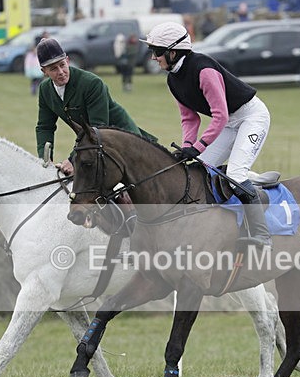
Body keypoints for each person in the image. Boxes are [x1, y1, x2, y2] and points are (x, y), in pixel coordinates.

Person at [141, 22, 272, 247]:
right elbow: (190, 118)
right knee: (197, 170)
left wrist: (199, 146)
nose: (154, 57)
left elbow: (219, 115)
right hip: (229, 123)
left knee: (236, 174)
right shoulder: (173, 78)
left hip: (252, 117)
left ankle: (262, 235)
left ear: (173, 52)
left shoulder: (203, 70)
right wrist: (187, 146)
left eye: (157, 51)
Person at [34, 37, 154, 175]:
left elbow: (98, 127)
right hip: (93, 145)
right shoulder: (45, 89)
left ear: (67, 60)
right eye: (53, 68)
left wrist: (73, 159)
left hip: (123, 140)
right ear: (44, 71)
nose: (60, 71)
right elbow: (45, 126)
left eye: (62, 65)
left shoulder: (92, 83)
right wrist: (45, 159)